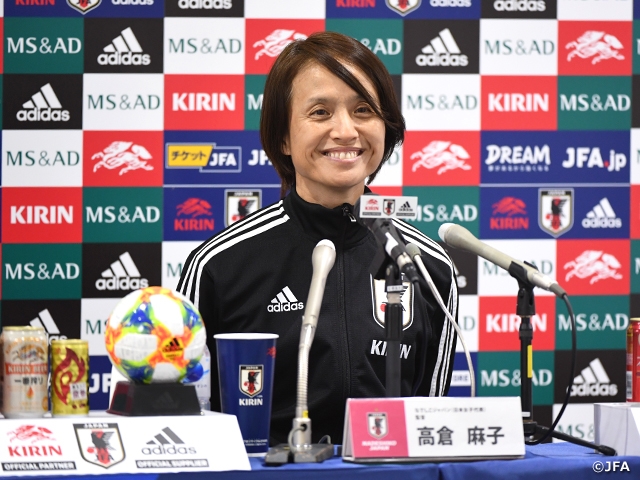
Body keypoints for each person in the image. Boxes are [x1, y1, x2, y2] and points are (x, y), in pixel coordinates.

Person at [177, 31, 458, 445]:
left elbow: (429, 426)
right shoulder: (219, 264)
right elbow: (185, 423)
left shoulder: (427, 266)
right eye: (321, 112)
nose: (345, 131)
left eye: (364, 110)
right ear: (283, 139)